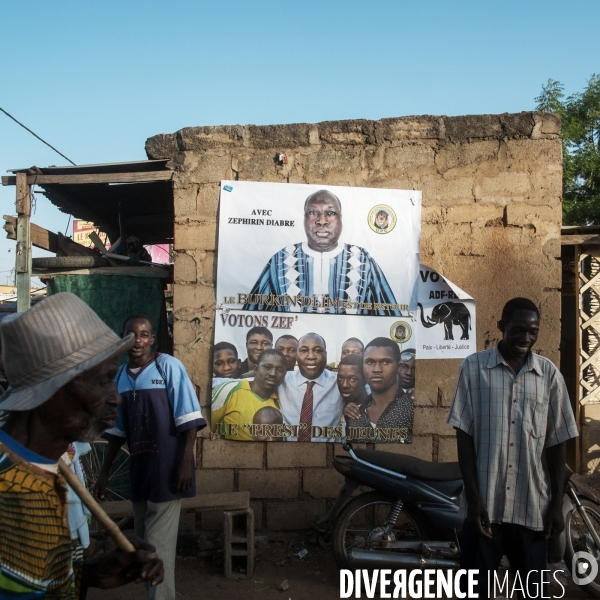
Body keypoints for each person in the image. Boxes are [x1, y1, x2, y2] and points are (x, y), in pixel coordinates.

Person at [0, 292, 163, 599]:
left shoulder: (43, 474)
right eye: (103, 381)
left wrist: (87, 575)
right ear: (52, 389)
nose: (115, 397)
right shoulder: (11, 494)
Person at [447, 298, 578, 599]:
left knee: (534, 593)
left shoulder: (549, 376)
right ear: (501, 327)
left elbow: (558, 443)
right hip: (485, 509)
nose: (526, 338)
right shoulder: (473, 369)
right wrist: (473, 499)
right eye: (518, 330)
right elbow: (464, 438)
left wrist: (556, 503)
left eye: (533, 331)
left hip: (532, 508)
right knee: (474, 592)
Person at [94, 314, 206, 600]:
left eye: (144, 334)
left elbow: (190, 420)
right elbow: (117, 433)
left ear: (152, 339)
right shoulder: (119, 377)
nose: (138, 340)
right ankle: (159, 595)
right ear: (123, 339)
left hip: (169, 471)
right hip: (140, 470)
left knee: (157, 546)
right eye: (132, 334)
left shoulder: (167, 366)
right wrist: (104, 473)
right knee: (145, 546)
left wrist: (185, 463)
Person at [243, 189, 400, 316]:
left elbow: (389, 316)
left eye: (330, 213)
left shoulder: (362, 259)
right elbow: (252, 317)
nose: (322, 220)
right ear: (304, 218)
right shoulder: (281, 260)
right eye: (313, 212)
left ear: (341, 219)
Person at [346, 337, 414, 444]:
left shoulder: (413, 407)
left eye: (385, 362)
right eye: (370, 362)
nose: (377, 369)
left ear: (399, 367)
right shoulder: (354, 414)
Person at [277, 333, 343, 442]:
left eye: (317, 350)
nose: (311, 356)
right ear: (297, 354)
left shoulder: (340, 382)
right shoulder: (282, 379)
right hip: (287, 453)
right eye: (304, 350)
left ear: (326, 354)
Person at [211, 349, 287, 441]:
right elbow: (206, 427)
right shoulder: (229, 390)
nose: (273, 374)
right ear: (255, 368)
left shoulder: (283, 401)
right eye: (267, 367)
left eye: (280, 370)